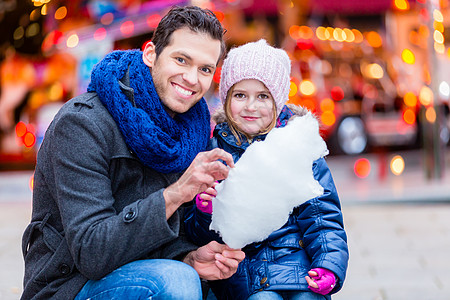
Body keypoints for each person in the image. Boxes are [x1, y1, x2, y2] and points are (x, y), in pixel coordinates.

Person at [21, 6, 245, 300]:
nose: (192, 78)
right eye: (181, 60)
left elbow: (170, 235)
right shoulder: (82, 124)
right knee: (175, 281)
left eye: (205, 69)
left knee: (232, 283)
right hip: (69, 286)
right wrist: (175, 194)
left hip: (146, 271)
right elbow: (92, 252)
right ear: (151, 54)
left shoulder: (192, 131)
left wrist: (189, 257)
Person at [184, 39, 349, 300]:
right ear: (226, 98)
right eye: (240, 95)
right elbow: (197, 235)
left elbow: (322, 217)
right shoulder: (213, 152)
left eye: (263, 96)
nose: (251, 106)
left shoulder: (296, 148)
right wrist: (205, 212)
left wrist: (329, 267)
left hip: (299, 269)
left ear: (279, 101)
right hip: (246, 275)